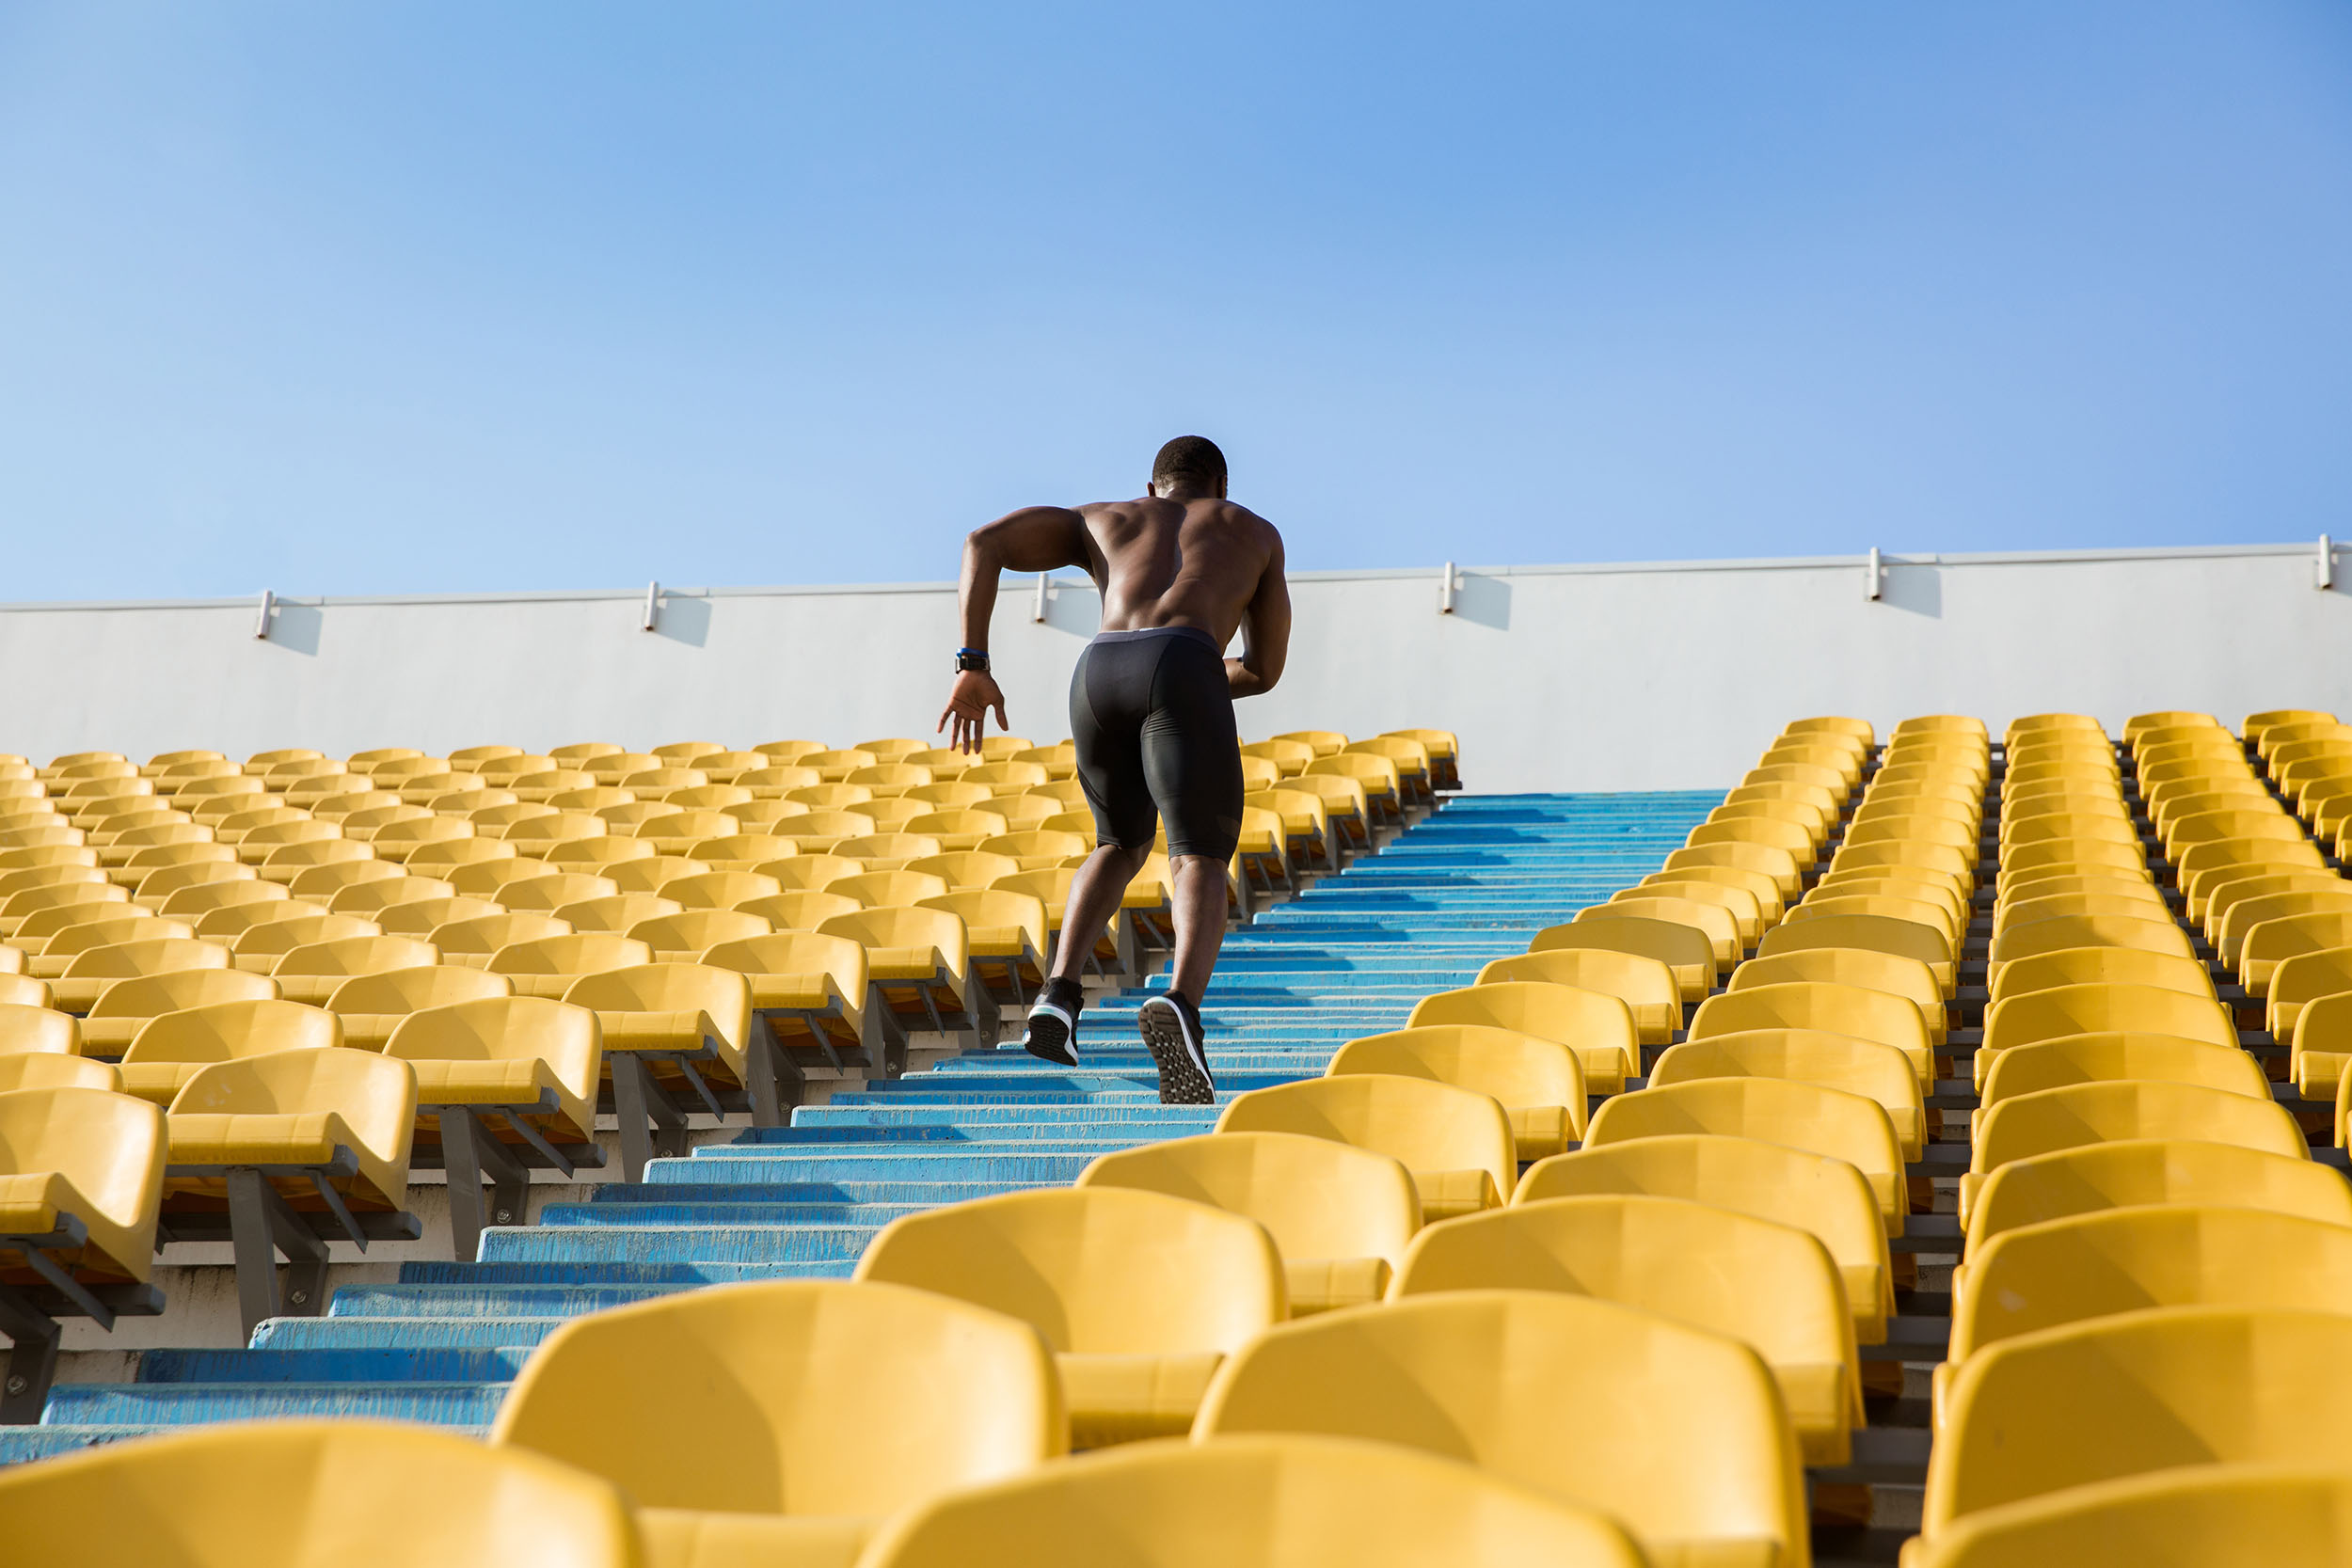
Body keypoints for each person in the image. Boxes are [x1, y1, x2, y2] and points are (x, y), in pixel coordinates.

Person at [936, 435, 1290, 1104]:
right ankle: (1181, 1003)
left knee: (1118, 843)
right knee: (1198, 858)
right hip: (1187, 658)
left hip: (1098, 672)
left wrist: (972, 664)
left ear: (1152, 488)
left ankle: (1058, 997)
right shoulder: (1252, 530)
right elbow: (1264, 667)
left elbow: (983, 541)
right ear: (1220, 489)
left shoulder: (1103, 517)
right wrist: (1193, 681)